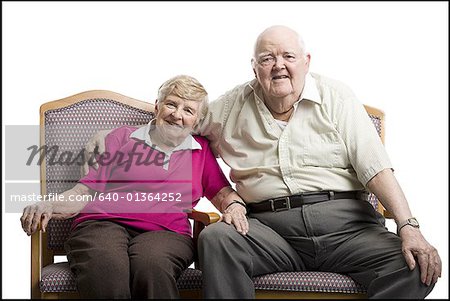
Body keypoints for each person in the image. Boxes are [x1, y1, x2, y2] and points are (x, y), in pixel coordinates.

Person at [83, 26, 442, 299]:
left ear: (306, 62)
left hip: (347, 227)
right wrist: (115, 133)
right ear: (255, 68)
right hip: (269, 231)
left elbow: (375, 167)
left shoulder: (337, 97)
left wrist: (408, 226)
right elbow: (178, 115)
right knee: (216, 238)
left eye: (287, 56)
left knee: (417, 266)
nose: (279, 66)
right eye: (267, 58)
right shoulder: (231, 105)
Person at [20, 75, 244, 299]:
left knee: (152, 266)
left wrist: (234, 207)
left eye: (188, 110)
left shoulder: (200, 151)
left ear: (196, 121)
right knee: (107, 266)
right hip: (102, 223)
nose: (177, 115)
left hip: (167, 233)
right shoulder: (122, 138)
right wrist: (49, 204)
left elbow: (224, 194)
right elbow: (84, 191)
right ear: (157, 107)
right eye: (171, 104)